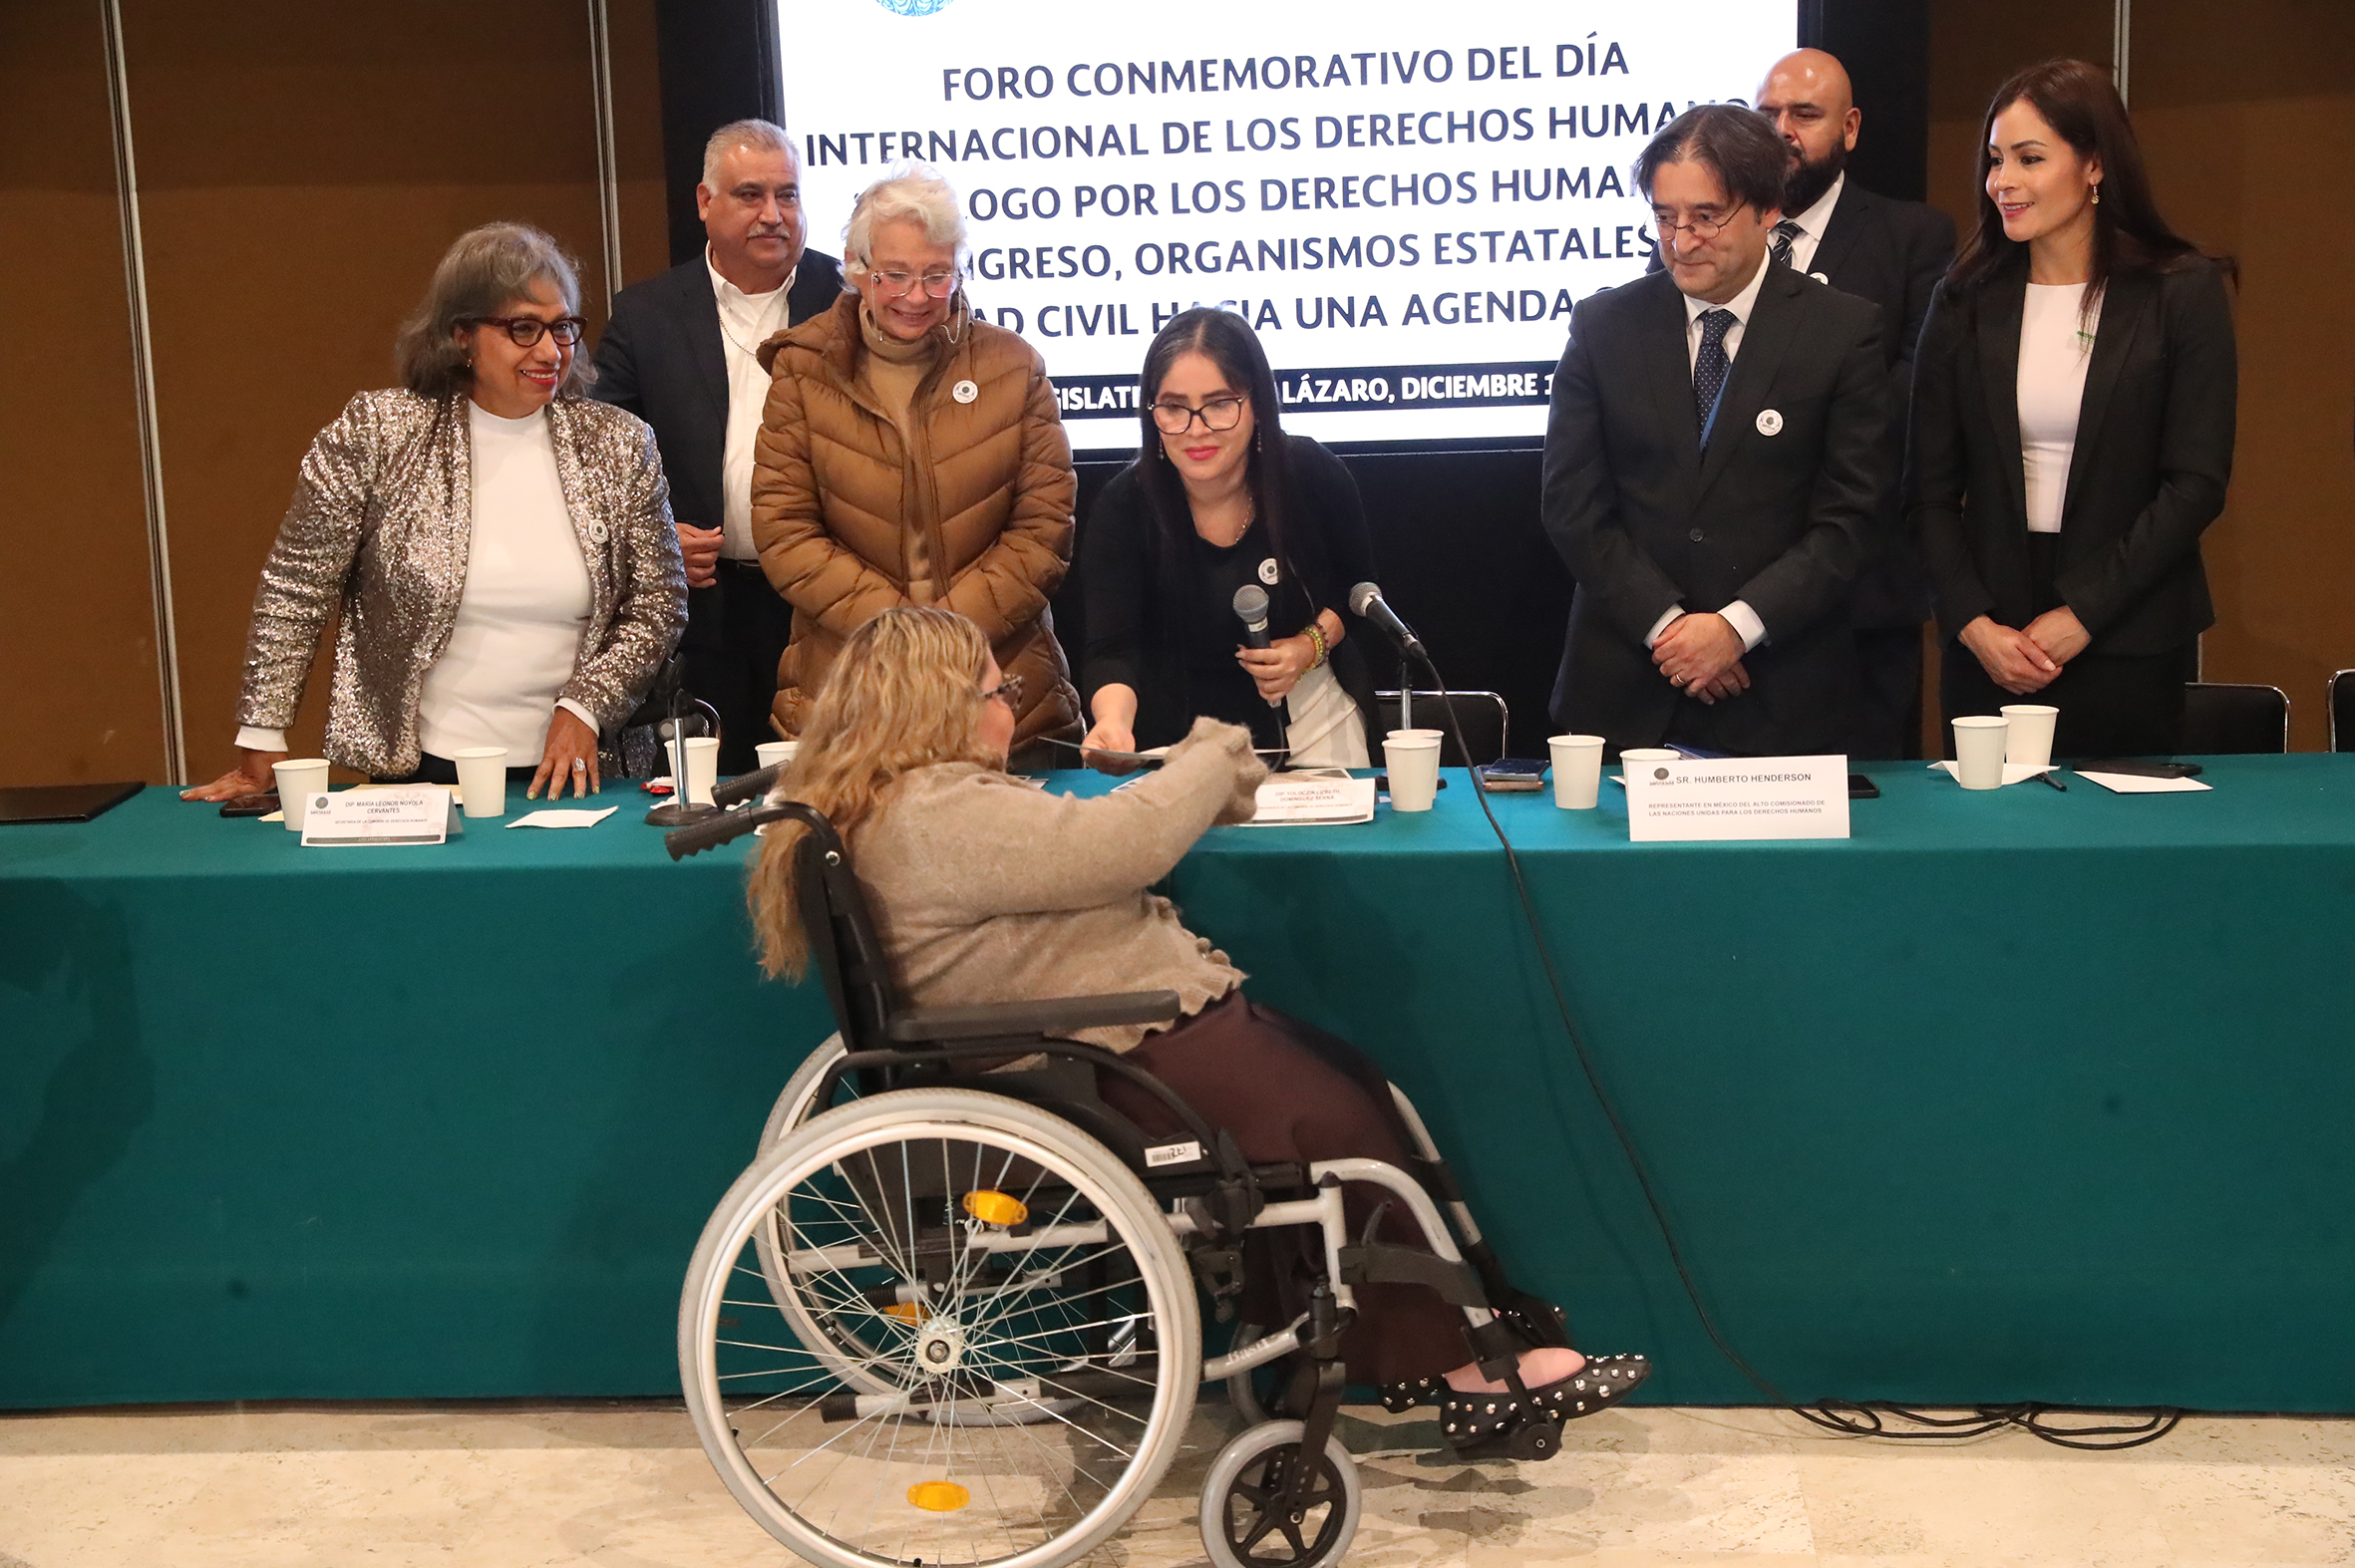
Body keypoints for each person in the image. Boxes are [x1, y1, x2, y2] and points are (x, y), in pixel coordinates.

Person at [746, 605, 1651, 1447]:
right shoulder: (935, 812)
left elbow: (1074, 847)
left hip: (1095, 1038)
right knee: (1338, 1130)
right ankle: (1462, 1367)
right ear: (937, 704)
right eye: (997, 689)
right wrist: (1215, 755)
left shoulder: (907, 802)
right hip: (1096, 1050)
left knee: (1352, 1083)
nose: (1009, 705)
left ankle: (1410, 1339)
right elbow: (1118, 846)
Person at [181, 223, 685, 803]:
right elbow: (297, 586)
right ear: (461, 335)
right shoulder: (378, 433)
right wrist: (263, 732)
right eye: (523, 329)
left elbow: (660, 602)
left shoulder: (619, 443)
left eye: (563, 327)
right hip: (424, 775)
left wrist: (587, 707)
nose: (551, 352)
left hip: (582, 772)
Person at [1907, 60, 2236, 759]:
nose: (2002, 181)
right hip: (1990, 640)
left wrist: (2084, 612)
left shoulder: (2181, 292)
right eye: (1996, 159)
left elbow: (2195, 483)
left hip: (2128, 630)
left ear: (2095, 164)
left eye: (2029, 159)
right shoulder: (1963, 299)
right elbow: (1927, 491)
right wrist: (1972, 623)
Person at [1543, 105, 1890, 757]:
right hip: (1624, 692)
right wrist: (1672, 632)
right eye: (1664, 217)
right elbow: (1573, 507)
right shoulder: (1602, 327)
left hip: (1781, 696)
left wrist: (1734, 630)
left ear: (1767, 209)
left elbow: (1853, 517)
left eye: (1706, 217)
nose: (1681, 241)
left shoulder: (1842, 332)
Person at [750, 166, 1079, 763]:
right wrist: (902, 635)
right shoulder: (801, 371)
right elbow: (785, 533)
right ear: (857, 268)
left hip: (1006, 702)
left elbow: (1043, 531)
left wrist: (947, 638)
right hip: (852, 703)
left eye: (936, 275)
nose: (918, 296)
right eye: (895, 275)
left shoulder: (1014, 367)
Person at [592, 121, 846, 773]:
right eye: (750, 195)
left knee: (826, 793)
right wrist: (656, 540)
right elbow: (594, 463)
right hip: (702, 609)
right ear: (705, 202)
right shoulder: (647, 315)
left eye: (787, 195)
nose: (773, 215)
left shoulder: (851, 301)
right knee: (707, 797)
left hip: (826, 606)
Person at [1756, 49, 1958, 760]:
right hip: (1732, 595)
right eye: (1767, 114)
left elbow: (1917, 383)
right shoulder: (1710, 238)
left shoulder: (1912, 237)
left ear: (1850, 128)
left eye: (1804, 114)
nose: (1781, 130)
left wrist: (1785, 433)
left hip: (1861, 594)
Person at [1079, 308, 1378, 768]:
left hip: (1315, 722)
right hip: (1180, 739)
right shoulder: (1123, 507)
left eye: (1219, 404)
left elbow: (1356, 591)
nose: (1196, 429)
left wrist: (1307, 647)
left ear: (1256, 403)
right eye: (1174, 407)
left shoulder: (1310, 474)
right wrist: (1113, 723)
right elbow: (1113, 649)